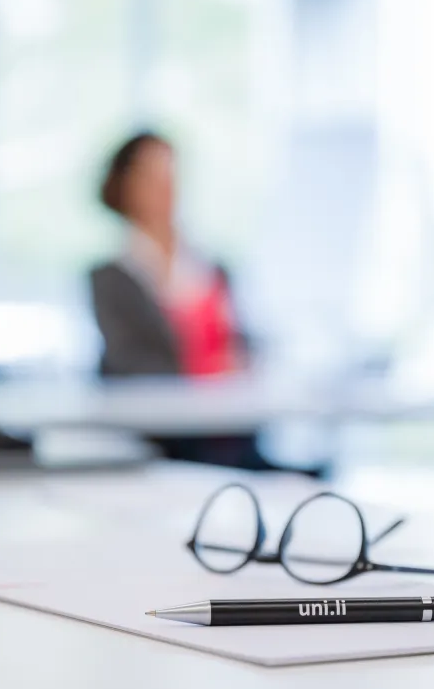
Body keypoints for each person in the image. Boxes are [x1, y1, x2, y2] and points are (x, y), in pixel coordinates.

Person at [90, 132, 287, 472]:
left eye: (171, 173)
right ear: (125, 186)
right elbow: (128, 366)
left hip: (233, 435)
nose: (166, 186)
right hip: (163, 444)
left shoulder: (212, 267)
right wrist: (208, 372)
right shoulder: (111, 278)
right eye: (152, 175)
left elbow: (241, 341)